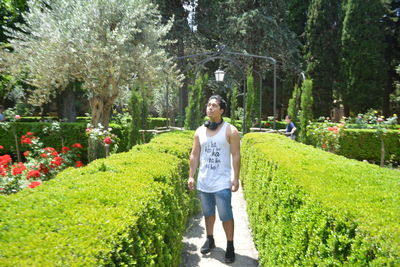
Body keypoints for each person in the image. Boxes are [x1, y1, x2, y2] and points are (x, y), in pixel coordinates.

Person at [187, 95, 241, 264]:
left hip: (222, 183)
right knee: (208, 214)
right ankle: (210, 239)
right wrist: (191, 176)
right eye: (208, 105)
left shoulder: (230, 130)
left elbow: (236, 155)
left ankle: (230, 245)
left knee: (226, 215)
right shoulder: (199, 131)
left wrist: (236, 178)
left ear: (222, 110)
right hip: (204, 182)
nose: (210, 108)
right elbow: (194, 155)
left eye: (214, 105)